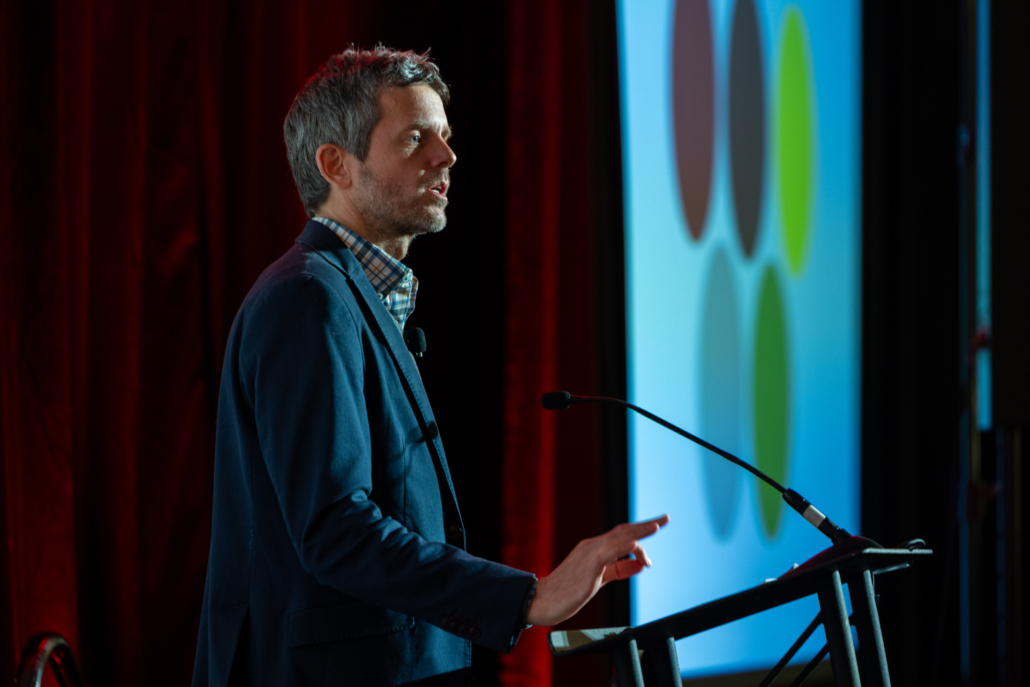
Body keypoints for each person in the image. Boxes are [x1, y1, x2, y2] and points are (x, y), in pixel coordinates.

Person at [191, 46, 669, 687]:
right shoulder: (307, 298)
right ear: (336, 164)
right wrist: (528, 597)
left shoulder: (348, 294)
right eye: (415, 138)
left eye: (444, 136)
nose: (446, 157)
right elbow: (335, 528)